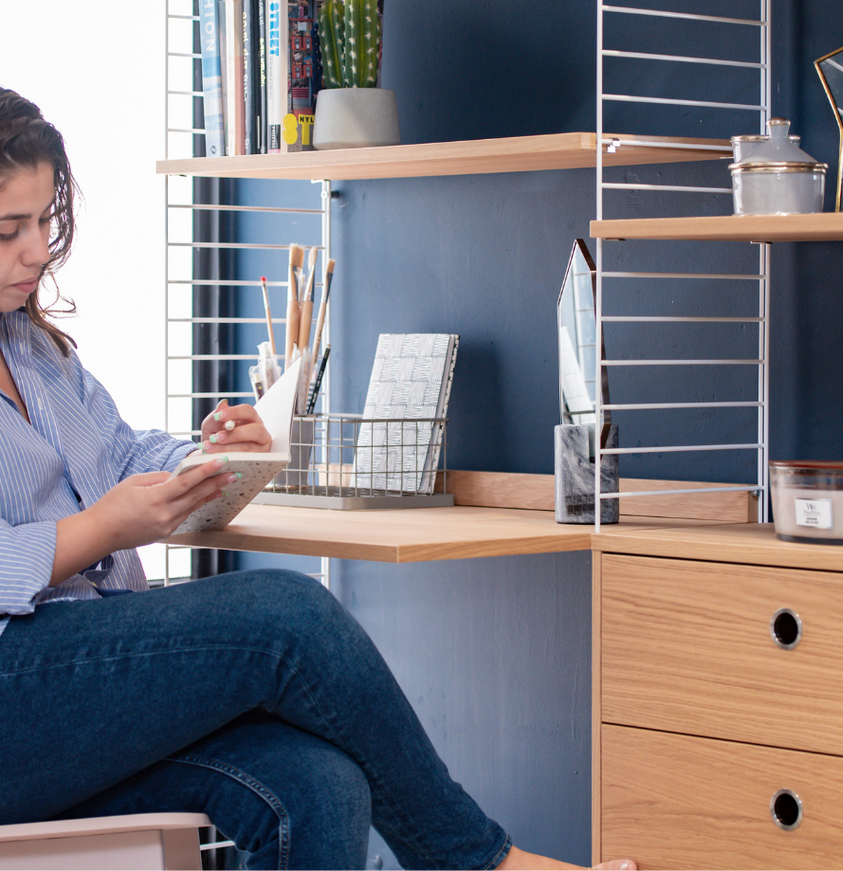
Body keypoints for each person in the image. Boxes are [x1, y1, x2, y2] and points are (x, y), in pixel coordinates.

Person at [0, 88, 635, 871]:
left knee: (321, 787)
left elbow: (121, 455)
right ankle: (477, 864)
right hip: (15, 692)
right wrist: (102, 529)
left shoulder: (33, 349)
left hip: (76, 687)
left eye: (42, 224)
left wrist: (205, 459)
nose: (36, 252)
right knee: (286, 613)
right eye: (8, 231)